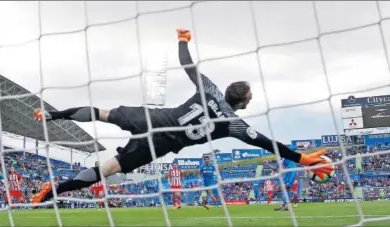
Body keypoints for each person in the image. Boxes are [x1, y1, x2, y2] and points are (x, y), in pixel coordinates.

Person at [30, 28, 332, 206]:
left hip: (154, 119)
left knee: (101, 113)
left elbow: (188, 65)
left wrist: (183, 41)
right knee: (107, 169)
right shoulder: (235, 124)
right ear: (240, 102)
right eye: (249, 100)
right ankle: (53, 190)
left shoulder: (210, 89)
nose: (249, 103)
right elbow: (268, 144)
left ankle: (52, 115)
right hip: (159, 145)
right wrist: (302, 159)